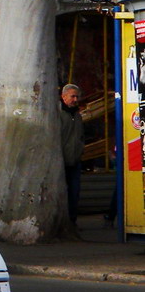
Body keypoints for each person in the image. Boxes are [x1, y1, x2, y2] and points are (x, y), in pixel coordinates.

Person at [59, 83, 85, 224]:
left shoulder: (77, 116)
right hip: (61, 161)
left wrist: (81, 150)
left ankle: (72, 221)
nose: (75, 99)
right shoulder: (58, 115)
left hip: (74, 161)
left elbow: (80, 136)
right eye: (72, 96)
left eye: (77, 96)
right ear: (64, 97)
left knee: (74, 193)